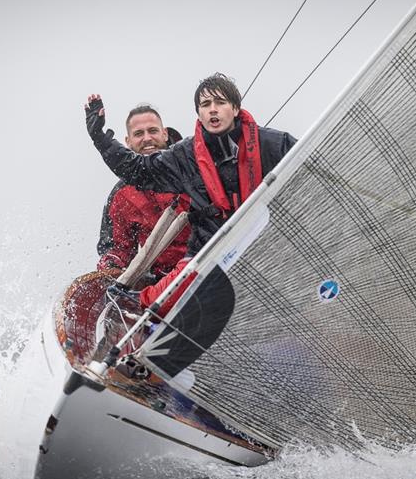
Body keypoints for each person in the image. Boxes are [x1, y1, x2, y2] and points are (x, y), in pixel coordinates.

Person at [85, 73, 296, 312]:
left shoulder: (274, 144)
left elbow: (311, 168)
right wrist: (99, 138)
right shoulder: (182, 159)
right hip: (198, 261)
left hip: (257, 245)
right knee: (158, 301)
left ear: (236, 108)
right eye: (206, 105)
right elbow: (136, 172)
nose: (213, 110)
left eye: (220, 103)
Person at [94, 103, 191, 283]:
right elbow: (117, 248)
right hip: (165, 283)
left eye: (152, 130)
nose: (147, 138)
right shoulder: (121, 195)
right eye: (139, 134)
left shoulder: (191, 165)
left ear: (165, 133)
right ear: (128, 141)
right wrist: (111, 268)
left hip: (211, 256)